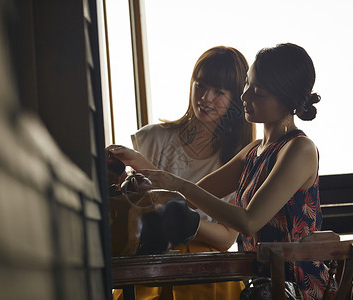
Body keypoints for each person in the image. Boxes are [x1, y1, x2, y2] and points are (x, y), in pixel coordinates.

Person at [136, 43, 329, 300]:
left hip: (294, 287)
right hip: (259, 285)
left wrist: (179, 186)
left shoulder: (299, 149)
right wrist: (141, 177)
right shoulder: (253, 151)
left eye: (257, 93)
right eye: (247, 85)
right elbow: (192, 196)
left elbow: (248, 222)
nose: (244, 96)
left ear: (287, 100)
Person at [110, 46, 254, 300]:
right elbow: (137, 208)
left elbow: (225, 238)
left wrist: (180, 221)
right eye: (200, 85)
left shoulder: (238, 160)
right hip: (148, 268)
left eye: (219, 92)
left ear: (236, 98)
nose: (206, 98)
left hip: (208, 273)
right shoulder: (153, 139)